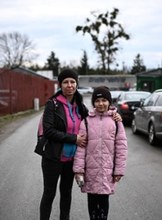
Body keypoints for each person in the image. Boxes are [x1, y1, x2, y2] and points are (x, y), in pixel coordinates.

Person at [39, 70, 121, 220]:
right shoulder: (53, 104)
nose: (69, 85)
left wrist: (114, 114)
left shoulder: (80, 107)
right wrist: (74, 138)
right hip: (53, 158)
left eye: (72, 82)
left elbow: (95, 118)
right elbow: (49, 131)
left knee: (66, 194)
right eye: (65, 82)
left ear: (76, 84)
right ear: (60, 84)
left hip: (70, 161)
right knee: (49, 194)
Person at [73, 86, 128, 220]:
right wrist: (78, 170)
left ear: (109, 102)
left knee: (104, 203)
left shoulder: (116, 121)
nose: (101, 103)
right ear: (93, 103)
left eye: (104, 100)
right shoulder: (86, 121)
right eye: (97, 101)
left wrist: (118, 170)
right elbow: (81, 148)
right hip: (90, 171)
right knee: (92, 202)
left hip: (107, 171)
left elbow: (121, 147)